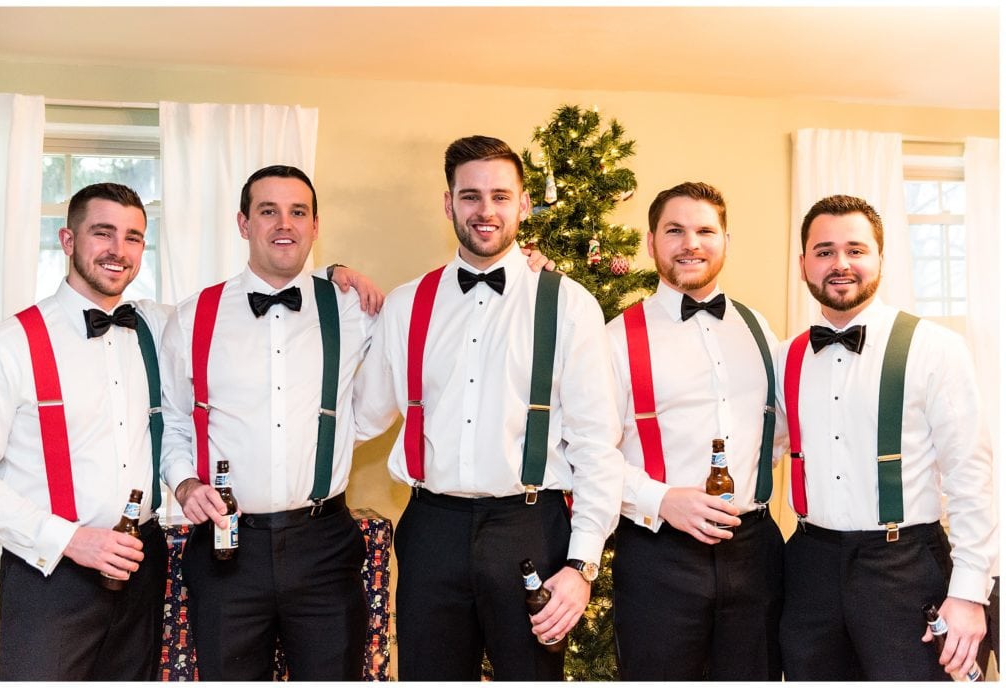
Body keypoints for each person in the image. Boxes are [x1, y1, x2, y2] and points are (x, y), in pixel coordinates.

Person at [353, 135, 625, 681]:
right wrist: (326, 284)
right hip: (431, 528)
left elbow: (598, 443)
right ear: (448, 203)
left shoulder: (569, 304)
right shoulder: (407, 304)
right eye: (470, 195)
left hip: (531, 527)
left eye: (501, 196)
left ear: (524, 204)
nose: (486, 211)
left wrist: (581, 565)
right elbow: (360, 416)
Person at [158, 164, 386, 681]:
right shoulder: (194, 315)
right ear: (243, 224)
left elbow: (420, 352)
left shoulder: (354, 308)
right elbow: (172, 420)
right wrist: (185, 481)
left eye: (298, 212)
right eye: (268, 211)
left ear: (315, 225)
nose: (284, 223)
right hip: (225, 548)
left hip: (324, 544)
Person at [777, 194, 996, 681]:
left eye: (856, 249)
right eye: (824, 251)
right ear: (803, 264)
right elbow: (756, 447)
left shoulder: (936, 348)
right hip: (809, 566)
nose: (840, 264)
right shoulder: (785, 357)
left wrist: (967, 593)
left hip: (906, 566)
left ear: (880, 258)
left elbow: (970, 476)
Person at [605, 181, 785, 680]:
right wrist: (660, 498)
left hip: (755, 553)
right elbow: (589, 454)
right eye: (675, 231)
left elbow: (785, 429)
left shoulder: (758, 329)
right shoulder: (616, 338)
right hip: (659, 556)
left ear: (726, 240)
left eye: (706, 230)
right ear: (651, 242)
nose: (692, 244)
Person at [0, 182, 170, 680]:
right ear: (68, 241)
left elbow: (237, 311)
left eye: (133, 237)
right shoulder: (9, 344)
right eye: (103, 233)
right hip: (48, 577)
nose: (119, 250)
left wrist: (330, 277)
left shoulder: (156, 327)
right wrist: (69, 539)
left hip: (142, 566)